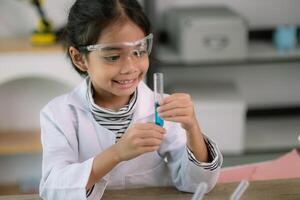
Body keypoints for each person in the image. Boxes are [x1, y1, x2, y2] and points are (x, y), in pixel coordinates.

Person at [39, 0, 223, 199]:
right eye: (113, 57)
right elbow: (53, 188)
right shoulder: (59, 114)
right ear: (80, 59)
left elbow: (198, 184)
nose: (130, 67)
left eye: (139, 52)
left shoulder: (161, 108)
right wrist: (117, 153)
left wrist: (192, 128)